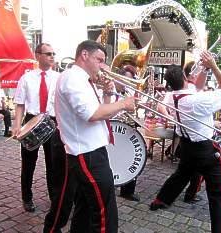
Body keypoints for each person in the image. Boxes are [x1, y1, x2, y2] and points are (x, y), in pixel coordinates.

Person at [48, 40, 135, 233]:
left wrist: (108, 93)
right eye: (100, 60)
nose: (103, 66)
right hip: (87, 154)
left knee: (86, 208)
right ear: (84, 55)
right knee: (105, 214)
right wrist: (124, 104)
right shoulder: (73, 78)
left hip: (92, 151)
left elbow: (102, 112)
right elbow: (92, 114)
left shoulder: (85, 80)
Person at [150, 51, 221, 233]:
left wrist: (203, 68)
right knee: (220, 190)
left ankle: (160, 201)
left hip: (186, 146)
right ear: (186, 78)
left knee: (180, 175)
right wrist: (214, 67)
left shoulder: (171, 96)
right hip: (204, 149)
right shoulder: (196, 100)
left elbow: (198, 86)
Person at [12, 43, 59, 212]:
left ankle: (55, 197)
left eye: (53, 53)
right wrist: (17, 125)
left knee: (53, 163)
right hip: (31, 120)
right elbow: (19, 104)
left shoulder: (58, 78)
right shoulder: (27, 78)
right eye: (48, 53)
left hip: (52, 121)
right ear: (37, 55)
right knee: (28, 163)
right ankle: (27, 198)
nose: (52, 56)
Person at [115, 65, 141, 202]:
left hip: (126, 130)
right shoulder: (111, 92)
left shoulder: (128, 93)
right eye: (125, 80)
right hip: (113, 132)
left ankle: (127, 191)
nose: (128, 83)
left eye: (130, 81)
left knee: (131, 157)